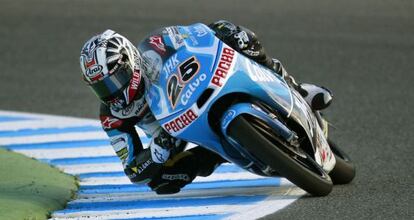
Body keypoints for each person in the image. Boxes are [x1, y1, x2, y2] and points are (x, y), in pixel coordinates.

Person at [79, 20, 332, 194]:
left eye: (114, 80)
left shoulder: (155, 45)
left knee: (234, 33)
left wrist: (214, 34)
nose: (112, 91)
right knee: (160, 183)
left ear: (129, 60)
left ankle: (293, 86)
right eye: (101, 87)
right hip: (172, 135)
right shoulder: (112, 116)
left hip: (194, 91)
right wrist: (156, 151)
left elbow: (194, 32)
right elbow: (133, 169)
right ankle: (222, 153)